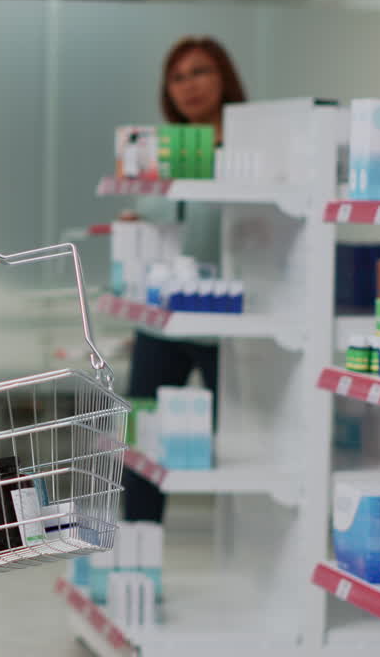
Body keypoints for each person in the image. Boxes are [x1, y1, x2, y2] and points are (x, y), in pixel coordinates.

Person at [122, 36, 247, 522]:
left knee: (236, 445)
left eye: (200, 72)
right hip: (161, 323)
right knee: (142, 449)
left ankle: (249, 554)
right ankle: (139, 551)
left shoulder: (247, 147)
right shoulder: (161, 151)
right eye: (177, 77)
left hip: (225, 324)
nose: (188, 85)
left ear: (225, 78)